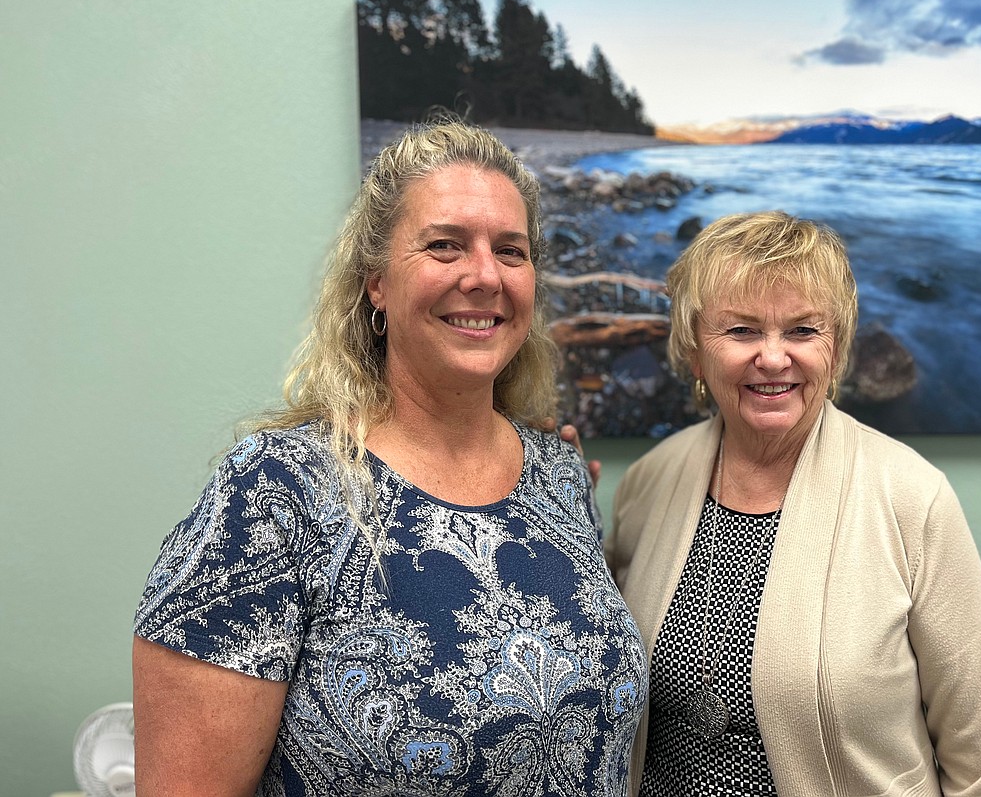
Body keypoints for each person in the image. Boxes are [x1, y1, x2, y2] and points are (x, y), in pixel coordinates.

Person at [133, 120, 648, 796]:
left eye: (511, 251)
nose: (485, 275)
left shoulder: (557, 475)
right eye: (445, 246)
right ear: (376, 282)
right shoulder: (273, 494)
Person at [606, 212, 981, 796]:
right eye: (742, 330)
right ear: (695, 352)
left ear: (838, 347)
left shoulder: (912, 498)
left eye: (802, 330)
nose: (773, 358)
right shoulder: (650, 481)